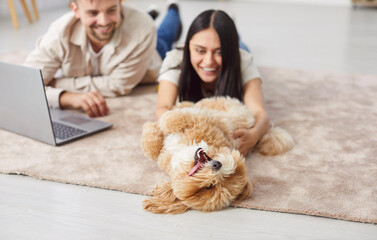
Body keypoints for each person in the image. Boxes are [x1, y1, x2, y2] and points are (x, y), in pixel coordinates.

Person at [24, 0, 181, 118]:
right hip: (129, 24)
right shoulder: (59, 32)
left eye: (112, 10)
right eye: (93, 13)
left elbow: (119, 84)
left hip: (150, 58)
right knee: (136, 23)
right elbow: (25, 83)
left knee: (165, 36)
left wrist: (56, 83)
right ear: (76, 10)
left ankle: (173, 10)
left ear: (120, 3)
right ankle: (151, 13)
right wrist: (66, 97)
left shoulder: (143, 30)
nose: (104, 21)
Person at [156, 9, 269, 156]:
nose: (209, 61)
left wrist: (254, 135)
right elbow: (163, 108)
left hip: (239, 50)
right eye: (200, 51)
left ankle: (232, 29)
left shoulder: (244, 61)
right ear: (188, 47)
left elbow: (260, 113)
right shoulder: (174, 60)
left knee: (241, 44)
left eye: (220, 52)